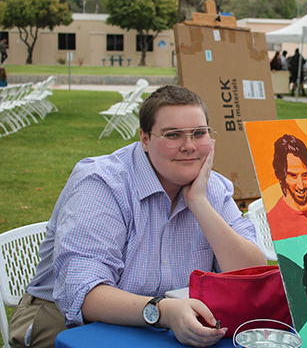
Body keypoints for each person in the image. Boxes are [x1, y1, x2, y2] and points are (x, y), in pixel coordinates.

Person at [8, 85, 266, 348]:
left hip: (166, 323)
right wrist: (163, 312)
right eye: (172, 135)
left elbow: (253, 275)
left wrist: (199, 203)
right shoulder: (102, 184)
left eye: (198, 133)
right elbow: (82, 292)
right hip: (66, 322)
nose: (189, 146)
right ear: (144, 139)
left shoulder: (212, 187)